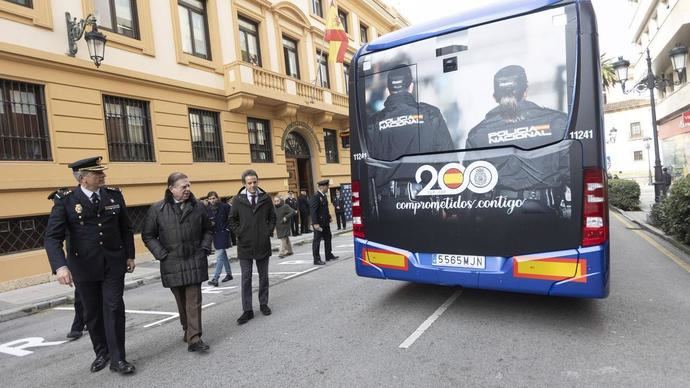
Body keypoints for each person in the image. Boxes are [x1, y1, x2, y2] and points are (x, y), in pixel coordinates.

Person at [44, 156, 136, 374]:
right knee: (92, 313)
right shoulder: (65, 201)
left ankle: (118, 359)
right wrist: (61, 267)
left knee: (114, 308)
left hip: (113, 263)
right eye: (98, 174)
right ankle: (101, 353)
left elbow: (126, 228)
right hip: (84, 267)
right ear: (83, 179)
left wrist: (129, 255)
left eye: (102, 173)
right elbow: (52, 238)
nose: (103, 176)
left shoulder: (114, 196)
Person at [465, 65, 569, 216]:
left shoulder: (478, 133)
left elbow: (472, 187)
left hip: (498, 217)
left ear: (495, 97)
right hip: (547, 214)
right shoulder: (557, 122)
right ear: (526, 92)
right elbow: (571, 172)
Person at [142, 172, 212, 353]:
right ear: (172, 189)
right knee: (181, 302)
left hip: (194, 258)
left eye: (189, 185)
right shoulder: (157, 209)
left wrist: (204, 248)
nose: (188, 189)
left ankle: (195, 338)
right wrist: (162, 254)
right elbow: (148, 235)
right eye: (183, 186)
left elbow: (208, 230)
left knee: (194, 300)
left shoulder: (199, 207)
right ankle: (187, 329)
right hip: (171, 262)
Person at [367, 64, 453, 158]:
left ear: (388, 90)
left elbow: (369, 165)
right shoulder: (431, 114)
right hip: (424, 172)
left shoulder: (373, 123)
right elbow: (449, 159)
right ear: (411, 87)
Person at [229, 169, 277, 325]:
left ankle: (263, 304)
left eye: (255, 182)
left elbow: (272, 217)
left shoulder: (265, 198)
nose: (252, 185)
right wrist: (240, 233)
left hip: (262, 243)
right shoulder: (237, 200)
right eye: (249, 183)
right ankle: (247, 310)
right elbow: (232, 220)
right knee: (246, 278)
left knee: (264, 277)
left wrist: (267, 231)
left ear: (258, 181)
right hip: (245, 245)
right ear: (244, 184)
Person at [206, 191, 233, 287]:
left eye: (214, 198)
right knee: (222, 254)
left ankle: (215, 278)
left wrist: (228, 228)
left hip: (224, 232)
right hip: (215, 234)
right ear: (208, 200)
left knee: (219, 255)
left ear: (217, 198)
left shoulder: (225, 206)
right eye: (210, 199)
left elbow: (232, 217)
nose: (212, 200)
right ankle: (229, 274)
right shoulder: (207, 209)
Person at [311, 179, 339, 265]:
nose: (328, 188)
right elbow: (313, 211)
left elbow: (325, 209)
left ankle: (328, 254)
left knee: (328, 237)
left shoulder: (323, 196)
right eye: (327, 186)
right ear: (323, 187)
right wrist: (315, 223)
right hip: (319, 223)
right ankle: (316, 259)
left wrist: (329, 217)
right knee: (317, 240)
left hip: (325, 222)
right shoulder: (316, 196)